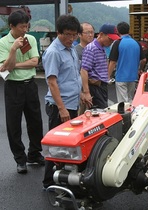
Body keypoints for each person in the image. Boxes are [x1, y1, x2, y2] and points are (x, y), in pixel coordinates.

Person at [0, 10, 44, 174]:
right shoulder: (4, 42)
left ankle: (34, 153)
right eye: (21, 27)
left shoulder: (30, 39)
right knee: (14, 125)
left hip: (30, 85)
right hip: (13, 86)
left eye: (27, 26)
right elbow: (4, 67)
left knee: (36, 121)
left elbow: (34, 62)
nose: (25, 29)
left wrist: (12, 65)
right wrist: (12, 50)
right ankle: (20, 159)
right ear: (12, 26)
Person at [42, 14, 82, 189]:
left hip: (72, 103)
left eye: (74, 35)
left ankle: (64, 179)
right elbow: (52, 82)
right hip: (60, 107)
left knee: (69, 145)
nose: (71, 39)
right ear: (58, 32)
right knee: (56, 146)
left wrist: (81, 94)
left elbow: (73, 75)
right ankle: (49, 182)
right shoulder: (53, 52)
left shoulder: (71, 48)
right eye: (67, 34)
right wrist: (62, 109)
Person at [81, 23, 120, 109]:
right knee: (99, 113)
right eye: (110, 39)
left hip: (102, 86)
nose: (111, 42)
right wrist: (86, 92)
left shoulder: (102, 48)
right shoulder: (91, 49)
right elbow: (84, 70)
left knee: (102, 112)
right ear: (101, 34)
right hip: (95, 87)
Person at [108, 22, 146, 103]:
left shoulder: (117, 43)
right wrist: (140, 69)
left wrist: (107, 76)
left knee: (123, 103)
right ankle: (131, 115)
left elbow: (112, 62)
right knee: (130, 100)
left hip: (121, 77)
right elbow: (143, 60)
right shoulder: (137, 43)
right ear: (129, 30)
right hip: (133, 76)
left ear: (117, 31)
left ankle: (125, 115)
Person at [75, 22, 95, 115]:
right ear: (79, 34)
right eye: (87, 33)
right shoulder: (75, 51)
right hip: (82, 90)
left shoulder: (95, 49)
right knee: (81, 115)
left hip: (95, 88)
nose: (90, 35)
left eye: (92, 32)